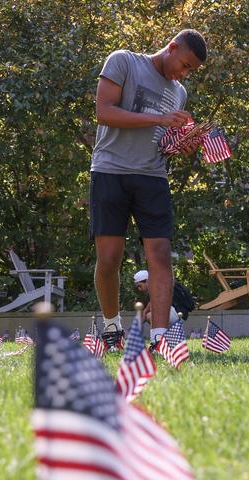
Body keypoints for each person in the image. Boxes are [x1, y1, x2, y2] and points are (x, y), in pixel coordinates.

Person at [89, 29, 207, 349]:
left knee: (160, 254)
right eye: (183, 64)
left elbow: (162, 141)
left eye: (190, 70)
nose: (183, 73)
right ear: (171, 48)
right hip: (110, 170)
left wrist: (179, 144)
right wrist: (159, 118)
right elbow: (104, 112)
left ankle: (159, 338)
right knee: (109, 258)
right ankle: (112, 326)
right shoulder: (123, 61)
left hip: (152, 177)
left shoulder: (179, 92)